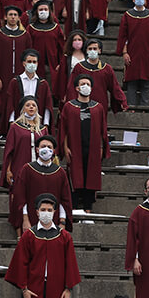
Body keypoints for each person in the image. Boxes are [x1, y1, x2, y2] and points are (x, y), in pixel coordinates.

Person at [58, 73, 109, 212]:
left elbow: (102, 130)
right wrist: (65, 146)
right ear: (77, 88)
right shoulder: (69, 106)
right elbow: (64, 129)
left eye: (88, 84)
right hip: (74, 146)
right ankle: (74, 207)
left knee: (91, 175)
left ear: (92, 88)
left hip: (92, 147)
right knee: (75, 175)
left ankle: (88, 208)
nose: (85, 86)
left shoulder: (98, 107)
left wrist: (101, 147)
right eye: (82, 84)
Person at [10, 135, 72, 236]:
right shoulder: (27, 169)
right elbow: (20, 197)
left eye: (49, 147)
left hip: (54, 222)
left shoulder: (60, 173)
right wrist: (25, 220)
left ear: (54, 151)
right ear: (37, 150)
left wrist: (62, 222)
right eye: (43, 146)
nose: (46, 149)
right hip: (31, 220)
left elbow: (65, 200)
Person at [116, 0, 149, 107]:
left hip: (147, 53)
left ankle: (144, 108)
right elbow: (123, 36)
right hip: (132, 52)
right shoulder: (127, 16)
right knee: (132, 81)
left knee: (146, 81)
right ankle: (131, 107)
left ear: (145, 0)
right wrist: (124, 52)